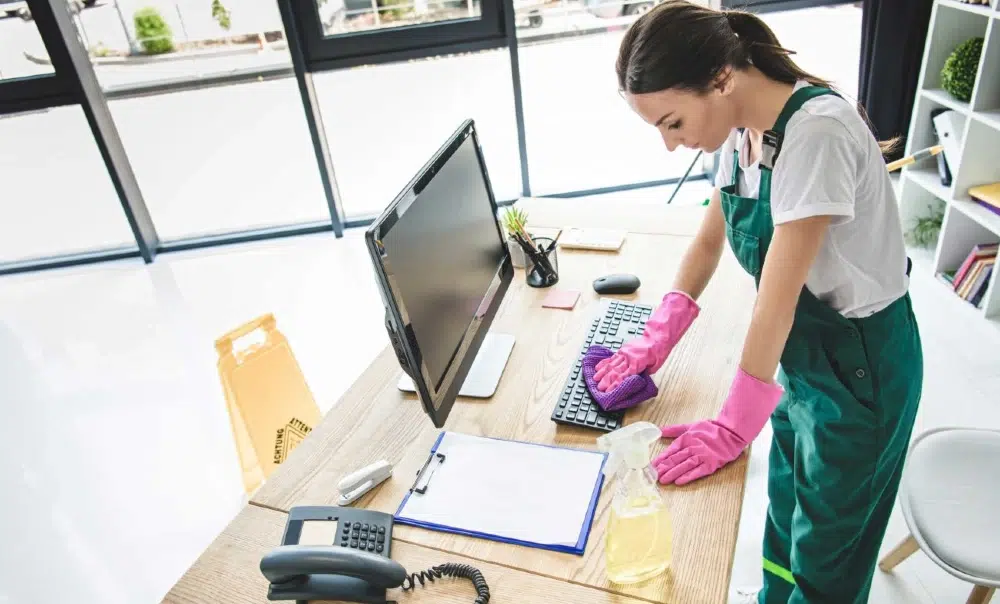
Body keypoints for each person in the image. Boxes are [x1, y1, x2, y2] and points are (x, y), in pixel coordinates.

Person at [592, 2, 924, 603]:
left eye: (672, 123)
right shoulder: (740, 130)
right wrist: (655, 337)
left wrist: (734, 421)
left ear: (721, 78)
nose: (671, 145)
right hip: (802, 360)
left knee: (828, 554)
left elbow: (777, 299)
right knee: (787, 508)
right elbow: (707, 241)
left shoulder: (816, 134)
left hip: (862, 367)